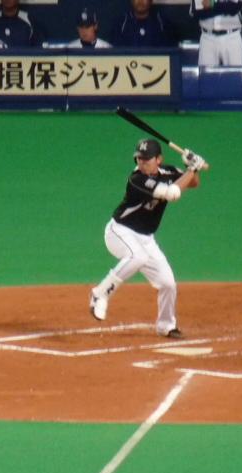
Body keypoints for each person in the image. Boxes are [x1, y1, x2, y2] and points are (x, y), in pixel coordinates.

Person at [89, 139, 206, 339]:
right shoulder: (137, 179)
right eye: (139, 159)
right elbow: (172, 194)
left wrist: (191, 167)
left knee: (168, 283)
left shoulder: (168, 172)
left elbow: (194, 183)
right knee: (138, 257)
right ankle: (100, 294)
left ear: (159, 159)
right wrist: (193, 167)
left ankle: (166, 326)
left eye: (146, 159)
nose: (142, 163)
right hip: (119, 232)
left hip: (145, 238)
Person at [190, 0, 242, 67]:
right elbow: (197, 12)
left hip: (232, 37)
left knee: (236, 72)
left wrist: (212, 4)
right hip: (207, 38)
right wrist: (224, 6)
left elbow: (235, 7)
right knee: (206, 72)